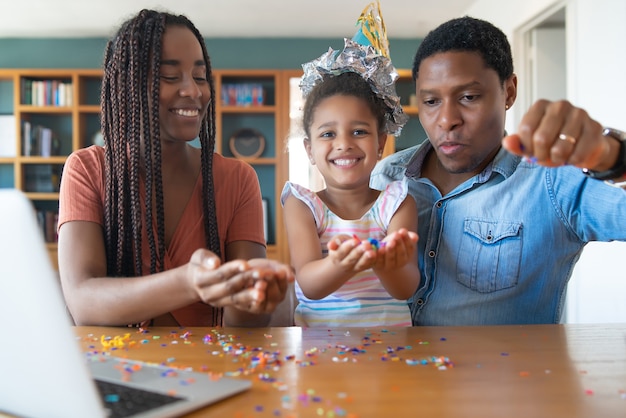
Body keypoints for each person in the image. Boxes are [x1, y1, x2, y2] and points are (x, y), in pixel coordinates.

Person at [371, 16, 626, 326]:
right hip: (392, 371)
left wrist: (614, 156)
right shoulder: (387, 177)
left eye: (468, 97)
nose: (447, 119)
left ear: (509, 91)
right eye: (431, 101)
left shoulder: (553, 182)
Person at [57, 9, 293, 328]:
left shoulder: (238, 179)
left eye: (199, 76)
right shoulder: (88, 169)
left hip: (214, 371)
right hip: (117, 371)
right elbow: (83, 301)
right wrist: (187, 282)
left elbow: (245, 327)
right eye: (170, 77)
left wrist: (255, 297)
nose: (194, 91)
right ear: (129, 86)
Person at [281, 11, 420, 327]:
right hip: (321, 356)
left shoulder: (397, 204)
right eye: (328, 134)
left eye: (359, 131)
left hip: (392, 355)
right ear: (309, 150)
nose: (344, 144)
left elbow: (406, 287)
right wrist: (342, 264)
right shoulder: (303, 206)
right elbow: (309, 284)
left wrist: (385, 263)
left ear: (380, 143)